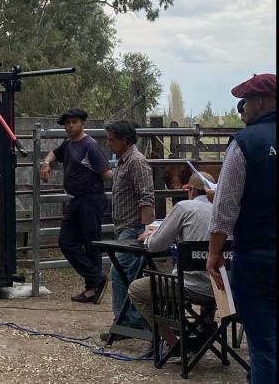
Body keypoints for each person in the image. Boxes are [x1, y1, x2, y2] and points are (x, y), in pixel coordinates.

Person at [208, 73, 276, 384]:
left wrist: (214, 252)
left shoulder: (245, 144)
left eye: (245, 102)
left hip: (258, 257)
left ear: (260, 101)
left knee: (264, 347)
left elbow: (225, 206)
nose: (243, 109)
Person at [128, 172, 217, 353]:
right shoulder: (225, 210)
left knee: (136, 290)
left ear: (191, 190)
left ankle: (174, 343)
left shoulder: (184, 208)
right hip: (222, 289)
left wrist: (148, 237)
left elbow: (155, 245)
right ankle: (204, 331)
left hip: (187, 286)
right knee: (207, 278)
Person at [40, 109, 113, 303]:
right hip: (76, 199)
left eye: (74, 122)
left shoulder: (90, 146)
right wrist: (46, 163)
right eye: (67, 123)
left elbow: (106, 173)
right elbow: (54, 153)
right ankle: (96, 279)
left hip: (91, 198)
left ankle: (93, 288)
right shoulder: (69, 144)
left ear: (83, 124)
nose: (70, 125)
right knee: (66, 241)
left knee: (91, 243)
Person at [103, 120, 154, 340]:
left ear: (125, 140)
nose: (109, 143)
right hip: (124, 226)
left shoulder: (136, 162)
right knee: (125, 273)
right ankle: (129, 320)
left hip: (132, 228)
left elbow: (146, 195)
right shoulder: (124, 161)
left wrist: (145, 228)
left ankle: (130, 322)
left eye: (112, 139)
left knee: (120, 271)